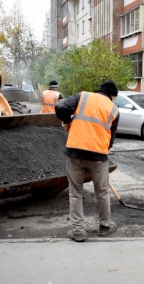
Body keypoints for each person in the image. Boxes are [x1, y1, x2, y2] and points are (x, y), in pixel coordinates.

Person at [55, 80, 120, 242]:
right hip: (98, 156)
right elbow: (110, 140)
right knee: (102, 192)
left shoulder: (83, 97)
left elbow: (60, 107)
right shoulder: (114, 109)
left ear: (99, 90)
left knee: (75, 193)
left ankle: (78, 231)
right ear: (112, 96)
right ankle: (105, 226)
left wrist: (68, 120)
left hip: (75, 152)